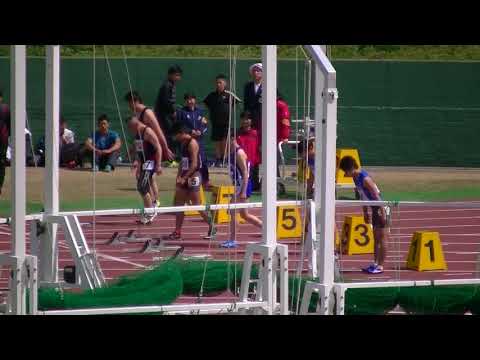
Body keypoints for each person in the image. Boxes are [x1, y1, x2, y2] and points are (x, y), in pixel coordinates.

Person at [339, 156, 389, 275]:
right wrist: (365, 212)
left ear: (350, 169)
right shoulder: (356, 179)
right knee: (376, 239)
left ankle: (381, 266)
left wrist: (382, 212)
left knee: (382, 238)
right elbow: (362, 196)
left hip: (381, 208)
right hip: (373, 208)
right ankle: (375, 263)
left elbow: (376, 195)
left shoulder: (365, 178)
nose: (345, 175)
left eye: (345, 172)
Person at [125, 90, 175, 207]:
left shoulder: (147, 113)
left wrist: (165, 148)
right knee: (145, 178)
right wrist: (136, 155)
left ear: (134, 101)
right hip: (144, 152)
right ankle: (153, 202)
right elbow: (138, 137)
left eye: (129, 103)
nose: (129, 107)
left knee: (146, 179)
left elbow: (158, 131)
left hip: (153, 152)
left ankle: (154, 203)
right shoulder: (137, 114)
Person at [167, 123, 214, 240]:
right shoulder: (183, 143)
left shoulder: (192, 143)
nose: (175, 138)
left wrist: (185, 178)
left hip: (194, 176)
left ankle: (212, 226)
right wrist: (178, 176)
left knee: (197, 204)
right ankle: (177, 231)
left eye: (176, 135)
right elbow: (183, 162)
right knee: (178, 204)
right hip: (185, 175)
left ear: (182, 133)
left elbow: (194, 164)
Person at [221, 129, 263, 249]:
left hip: (243, 185)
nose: (224, 143)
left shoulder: (239, 153)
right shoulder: (232, 152)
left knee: (233, 210)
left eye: (225, 140)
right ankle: (267, 229)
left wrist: (243, 190)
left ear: (232, 139)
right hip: (239, 185)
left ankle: (233, 239)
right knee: (244, 215)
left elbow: (245, 172)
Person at [127, 116, 163, 225]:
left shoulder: (147, 132)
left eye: (130, 127)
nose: (130, 130)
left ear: (135, 124)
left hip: (150, 162)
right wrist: (137, 162)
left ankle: (151, 210)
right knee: (144, 184)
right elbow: (139, 150)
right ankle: (150, 207)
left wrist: (159, 165)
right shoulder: (137, 134)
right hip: (144, 162)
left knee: (142, 186)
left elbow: (158, 147)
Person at [177, 93, 210, 189]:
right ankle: (184, 179)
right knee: (186, 160)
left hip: (199, 141)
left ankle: (205, 181)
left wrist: (200, 131)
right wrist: (190, 131)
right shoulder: (182, 112)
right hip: (187, 141)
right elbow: (180, 126)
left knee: (202, 161)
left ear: (195, 100)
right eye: (187, 99)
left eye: (191, 99)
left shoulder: (200, 111)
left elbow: (205, 124)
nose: (189, 101)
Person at [203, 74, 235, 168]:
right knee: (217, 141)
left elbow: (236, 103)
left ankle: (225, 160)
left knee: (225, 141)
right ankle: (218, 160)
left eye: (220, 82)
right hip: (215, 122)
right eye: (217, 83)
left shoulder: (229, 95)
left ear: (225, 83)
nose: (218, 84)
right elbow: (205, 104)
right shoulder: (212, 96)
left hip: (226, 123)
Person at [154, 65, 183, 167]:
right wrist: (173, 111)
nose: (178, 77)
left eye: (179, 75)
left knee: (172, 135)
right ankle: (168, 160)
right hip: (164, 115)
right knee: (169, 136)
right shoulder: (167, 85)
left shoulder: (171, 85)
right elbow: (166, 102)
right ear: (170, 75)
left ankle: (172, 158)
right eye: (176, 75)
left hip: (168, 115)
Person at [236, 111, 260, 182]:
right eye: (243, 119)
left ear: (251, 121)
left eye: (247, 119)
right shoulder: (237, 133)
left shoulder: (256, 133)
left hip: (253, 163)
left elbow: (259, 147)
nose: (245, 121)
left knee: (251, 183)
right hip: (240, 162)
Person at [243, 63, 263, 134]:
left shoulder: (268, 85)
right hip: (251, 119)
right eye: (254, 71)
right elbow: (246, 103)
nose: (255, 73)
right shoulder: (248, 86)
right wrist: (246, 117)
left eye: (258, 71)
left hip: (264, 118)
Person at [277, 93, 291, 177]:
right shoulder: (280, 105)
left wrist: (285, 136)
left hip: (277, 136)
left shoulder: (281, 105)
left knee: (274, 158)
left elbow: (285, 121)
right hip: (273, 135)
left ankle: (275, 178)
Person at [0, 97, 10, 195]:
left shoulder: (5, 108)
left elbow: (9, 125)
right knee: (2, 162)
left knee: (2, 162)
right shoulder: (5, 108)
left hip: (2, 139)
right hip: (3, 139)